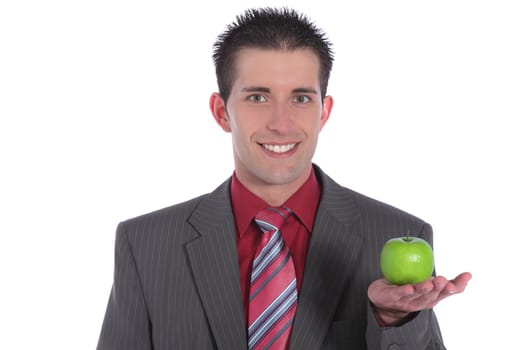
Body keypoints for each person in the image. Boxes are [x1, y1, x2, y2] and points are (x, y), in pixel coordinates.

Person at [97, 7, 471, 350]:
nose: (281, 123)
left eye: (301, 99)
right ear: (221, 112)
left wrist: (394, 320)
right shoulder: (146, 245)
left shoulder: (395, 231)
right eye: (258, 98)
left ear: (324, 112)